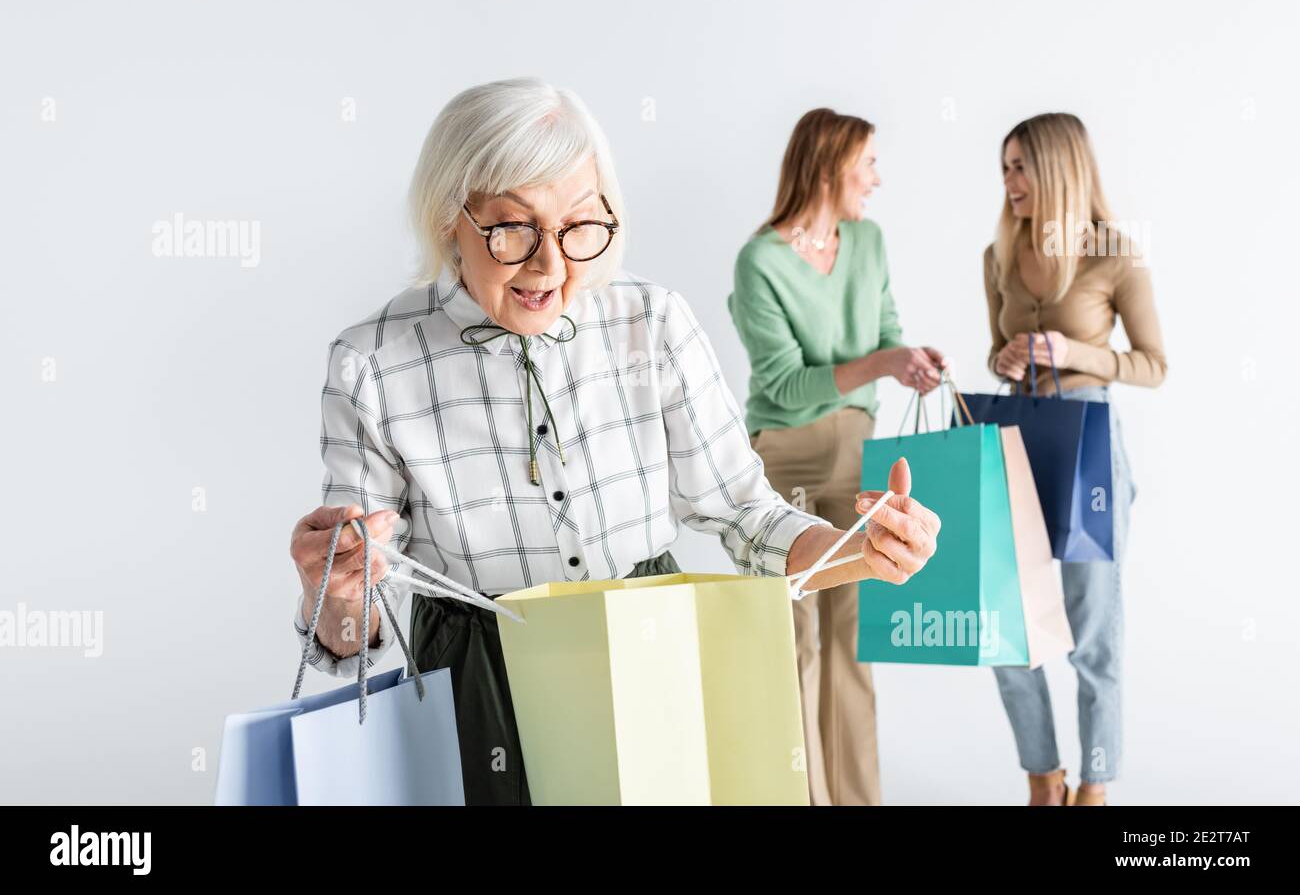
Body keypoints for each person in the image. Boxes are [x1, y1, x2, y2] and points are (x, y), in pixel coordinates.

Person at [287, 79, 941, 805]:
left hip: (653, 654)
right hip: (476, 680)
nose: (552, 267)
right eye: (513, 229)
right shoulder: (372, 361)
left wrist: (861, 549)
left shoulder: (651, 321)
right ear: (449, 217)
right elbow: (353, 634)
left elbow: (745, 515)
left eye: (579, 226)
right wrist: (334, 591)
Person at [728, 108, 947, 806]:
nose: (877, 180)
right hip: (782, 464)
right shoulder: (760, 260)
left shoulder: (869, 241)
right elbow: (788, 385)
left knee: (853, 647)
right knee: (795, 644)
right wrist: (882, 359)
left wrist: (906, 362)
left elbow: (885, 330)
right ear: (828, 167)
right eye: (869, 164)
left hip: (859, 457)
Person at [984, 112, 1167, 805]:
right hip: (1016, 443)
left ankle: (1094, 785)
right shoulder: (997, 255)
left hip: (1088, 443)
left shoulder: (1114, 253)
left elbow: (1154, 365)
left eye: (1020, 166)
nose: (1008, 182)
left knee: (1092, 627)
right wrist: (1002, 357)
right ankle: (1043, 775)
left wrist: (1072, 354)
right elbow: (994, 351)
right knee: (1005, 620)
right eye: (1004, 168)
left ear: (1059, 167)